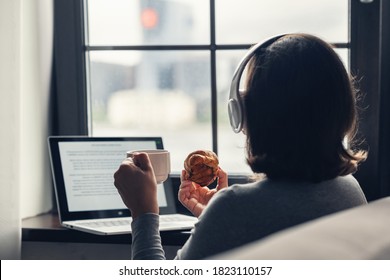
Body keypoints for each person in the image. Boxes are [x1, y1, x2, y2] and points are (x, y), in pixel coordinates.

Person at [113, 33, 367, 260]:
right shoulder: (349, 191)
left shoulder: (233, 208)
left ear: (247, 113)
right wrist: (215, 222)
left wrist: (143, 211)